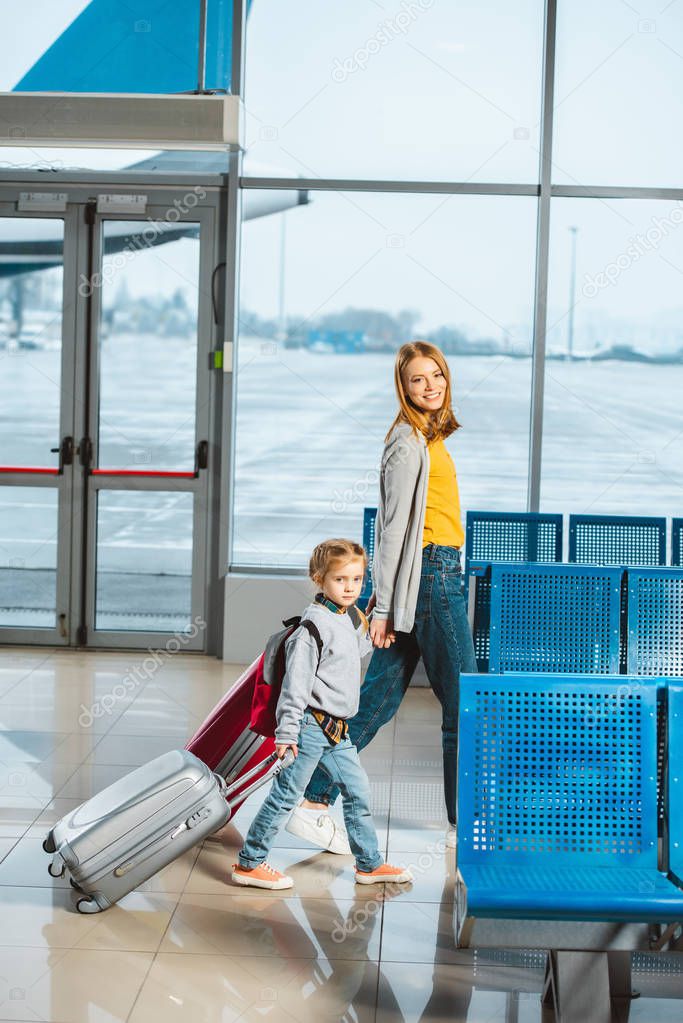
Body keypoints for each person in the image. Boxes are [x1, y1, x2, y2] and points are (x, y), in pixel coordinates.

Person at [287, 341, 477, 853]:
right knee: (465, 702)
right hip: (431, 580)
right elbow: (392, 532)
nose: (430, 385)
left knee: (376, 696)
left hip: (434, 575)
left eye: (436, 375)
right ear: (404, 387)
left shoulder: (428, 437)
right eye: (418, 379)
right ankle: (468, 825)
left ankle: (311, 800)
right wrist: (386, 606)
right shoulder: (406, 442)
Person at [231, 538, 413, 890]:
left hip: (337, 730)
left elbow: (350, 652)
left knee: (358, 791)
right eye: (340, 579)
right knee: (286, 795)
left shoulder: (345, 617)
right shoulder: (310, 630)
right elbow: (294, 689)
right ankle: (249, 863)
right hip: (309, 728)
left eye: (357, 580)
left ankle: (369, 865)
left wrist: (373, 625)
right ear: (319, 579)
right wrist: (286, 735)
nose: (350, 587)